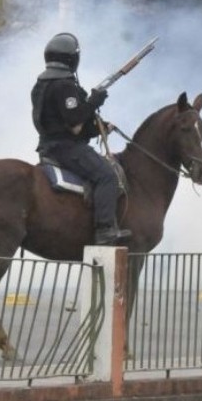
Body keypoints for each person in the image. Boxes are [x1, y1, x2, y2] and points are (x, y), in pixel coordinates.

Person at [31, 32, 130, 246]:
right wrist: (94, 101)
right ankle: (105, 230)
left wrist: (99, 128)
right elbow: (74, 119)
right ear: (72, 59)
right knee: (107, 176)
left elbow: (72, 127)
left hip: (50, 145)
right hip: (66, 149)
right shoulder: (65, 86)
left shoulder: (41, 84)